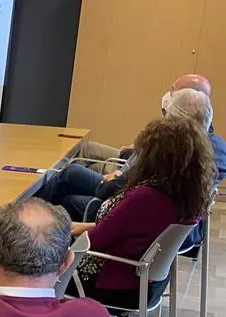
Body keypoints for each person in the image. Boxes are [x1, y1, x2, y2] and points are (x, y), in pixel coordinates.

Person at [68, 116, 216, 309]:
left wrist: (58, 236)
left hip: (114, 284)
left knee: (38, 265)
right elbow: (122, 229)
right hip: (150, 282)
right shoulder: (186, 196)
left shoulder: (146, 198)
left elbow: (95, 241)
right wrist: (75, 227)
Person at [36, 87, 220, 220]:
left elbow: (115, 194)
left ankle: (33, 220)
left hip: (120, 213)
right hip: (137, 215)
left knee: (70, 181)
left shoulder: (164, 158)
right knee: (72, 178)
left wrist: (115, 180)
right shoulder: (199, 161)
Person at [78, 73, 215, 166]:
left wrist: (131, 153)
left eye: (173, 92)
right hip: (133, 167)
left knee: (74, 172)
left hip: (131, 175)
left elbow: (149, 167)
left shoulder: (181, 137)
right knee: (88, 152)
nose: (168, 95)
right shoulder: (188, 129)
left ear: (189, 97)